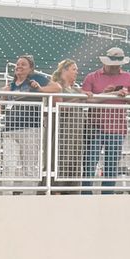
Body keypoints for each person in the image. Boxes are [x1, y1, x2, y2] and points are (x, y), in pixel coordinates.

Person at [81, 47, 130, 193]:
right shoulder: (92, 77)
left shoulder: (129, 77)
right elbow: (84, 100)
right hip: (95, 127)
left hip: (117, 127)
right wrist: (106, 93)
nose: (116, 67)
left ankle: (107, 195)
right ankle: (85, 193)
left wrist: (126, 95)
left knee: (111, 165)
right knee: (89, 163)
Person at [2, 55, 59, 192]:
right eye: (17, 64)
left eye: (23, 64)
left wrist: (40, 90)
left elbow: (57, 87)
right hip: (10, 130)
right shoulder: (11, 84)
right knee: (8, 165)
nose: (19, 66)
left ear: (31, 68)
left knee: (29, 166)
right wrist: (3, 96)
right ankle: (6, 195)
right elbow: (0, 109)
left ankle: (28, 196)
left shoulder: (36, 79)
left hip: (31, 129)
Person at [50, 59, 87, 191]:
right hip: (63, 132)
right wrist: (80, 98)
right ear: (64, 70)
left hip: (77, 133)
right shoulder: (56, 86)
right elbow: (59, 106)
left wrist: (111, 93)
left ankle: (72, 192)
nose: (76, 72)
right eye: (74, 69)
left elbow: (92, 99)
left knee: (75, 163)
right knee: (61, 161)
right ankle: (56, 192)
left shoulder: (76, 89)